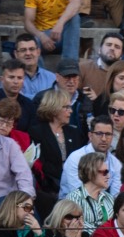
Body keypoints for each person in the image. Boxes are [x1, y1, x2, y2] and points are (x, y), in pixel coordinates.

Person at [28, 88, 83, 216]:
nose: (70, 111)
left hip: (73, 184)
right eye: (66, 107)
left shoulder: (74, 132)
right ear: (55, 108)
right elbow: (40, 165)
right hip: (49, 189)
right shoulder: (37, 132)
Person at [60, 116, 121, 200]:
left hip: (104, 205)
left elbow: (116, 196)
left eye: (108, 134)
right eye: (99, 133)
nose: (104, 139)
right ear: (90, 136)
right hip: (71, 205)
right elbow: (78, 194)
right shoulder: (75, 158)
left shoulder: (116, 163)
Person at [66, 152, 115, 232]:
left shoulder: (110, 198)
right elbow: (76, 226)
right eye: (104, 172)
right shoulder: (73, 198)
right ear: (90, 173)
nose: (108, 176)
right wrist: (102, 234)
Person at [79, 32, 124, 99]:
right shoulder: (83, 68)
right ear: (99, 50)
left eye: (117, 47)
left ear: (121, 55)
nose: (112, 48)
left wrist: (97, 100)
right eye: (108, 45)